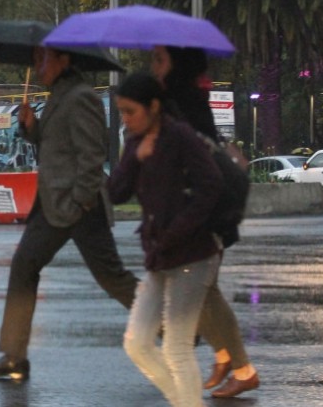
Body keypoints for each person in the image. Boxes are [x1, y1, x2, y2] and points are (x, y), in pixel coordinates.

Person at [0, 47, 139, 381]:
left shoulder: (81, 97)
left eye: (42, 59)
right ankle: (14, 356)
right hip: (52, 204)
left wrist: (81, 199)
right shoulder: (60, 95)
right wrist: (30, 128)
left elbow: (92, 152)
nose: (37, 66)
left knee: (111, 277)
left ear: (64, 60)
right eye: (35, 59)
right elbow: (53, 144)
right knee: (24, 265)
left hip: (80, 205)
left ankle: (169, 324)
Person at [152, 45, 260, 398]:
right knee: (203, 290)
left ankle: (240, 367)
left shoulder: (181, 103)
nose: (154, 67)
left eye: (159, 60)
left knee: (199, 289)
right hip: (205, 207)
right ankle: (227, 357)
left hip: (206, 209)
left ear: (177, 65)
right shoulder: (184, 98)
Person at [109, 72, 223, 407]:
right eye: (122, 113)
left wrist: (178, 230)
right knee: (137, 342)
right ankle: (183, 401)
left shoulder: (181, 136)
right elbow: (116, 192)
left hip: (194, 254)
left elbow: (211, 186)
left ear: (154, 106)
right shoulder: (134, 141)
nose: (126, 119)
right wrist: (135, 156)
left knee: (176, 348)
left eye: (131, 111)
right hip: (161, 255)